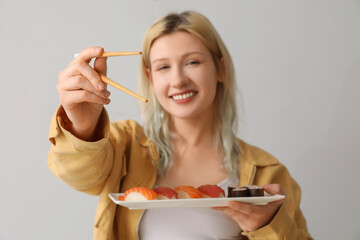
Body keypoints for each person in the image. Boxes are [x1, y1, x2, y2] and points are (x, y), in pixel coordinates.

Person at [48, 11, 313, 240]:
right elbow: (78, 175)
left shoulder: (267, 174)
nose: (177, 80)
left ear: (220, 69)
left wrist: (268, 225)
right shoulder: (124, 146)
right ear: (151, 78)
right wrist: (81, 122)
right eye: (163, 67)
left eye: (192, 62)